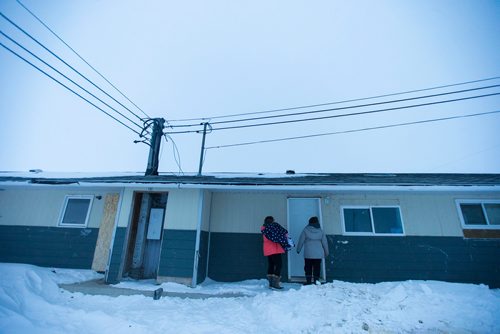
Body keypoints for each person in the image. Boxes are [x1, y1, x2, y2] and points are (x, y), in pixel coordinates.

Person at [296, 216, 329, 285]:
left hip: (308, 253)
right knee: (317, 267)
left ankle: (308, 281)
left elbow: (301, 240)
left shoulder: (305, 230)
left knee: (308, 267)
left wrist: (298, 249)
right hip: (318, 254)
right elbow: (325, 243)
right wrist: (326, 252)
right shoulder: (321, 231)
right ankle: (316, 281)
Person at [261, 216, 290, 289]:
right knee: (279, 265)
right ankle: (275, 283)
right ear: (272, 221)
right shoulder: (274, 228)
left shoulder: (264, 229)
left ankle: (271, 283)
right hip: (275, 249)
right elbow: (283, 232)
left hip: (268, 250)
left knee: (271, 264)